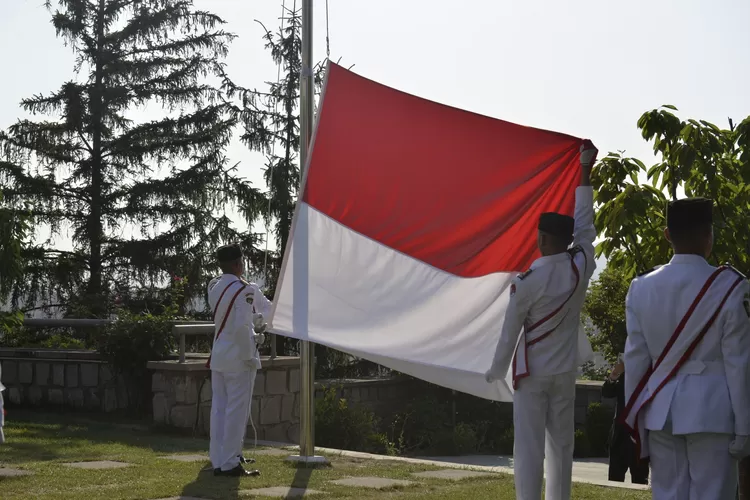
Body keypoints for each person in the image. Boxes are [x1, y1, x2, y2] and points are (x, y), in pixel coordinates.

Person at [485, 140, 599, 500]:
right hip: (564, 372)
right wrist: (584, 169)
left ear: (543, 239)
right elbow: (586, 226)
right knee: (561, 448)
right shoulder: (580, 267)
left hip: (531, 375)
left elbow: (510, 333)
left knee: (529, 450)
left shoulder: (528, 282)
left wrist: (495, 370)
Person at [621, 197, 750, 499]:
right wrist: (745, 426)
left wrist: (637, 420)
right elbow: (739, 362)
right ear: (710, 234)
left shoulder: (641, 287)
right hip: (713, 412)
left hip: (661, 410)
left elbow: (636, 361)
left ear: (667, 235)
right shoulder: (731, 286)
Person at [207, 243, 270, 477]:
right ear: (238, 263)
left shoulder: (214, 286)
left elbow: (235, 318)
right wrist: (249, 358)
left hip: (219, 355)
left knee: (219, 410)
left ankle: (220, 456)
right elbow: (243, 328)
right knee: (236, 410)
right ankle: (231, 462)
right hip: (238, 358)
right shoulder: (245, 290)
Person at [601, 358, 649, 484]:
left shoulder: (648, 376)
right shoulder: (623, 376)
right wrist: (614, 374)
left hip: (638, 435)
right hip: (619, 436)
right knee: (614, 480)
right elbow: (606, 392)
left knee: (639, 481)